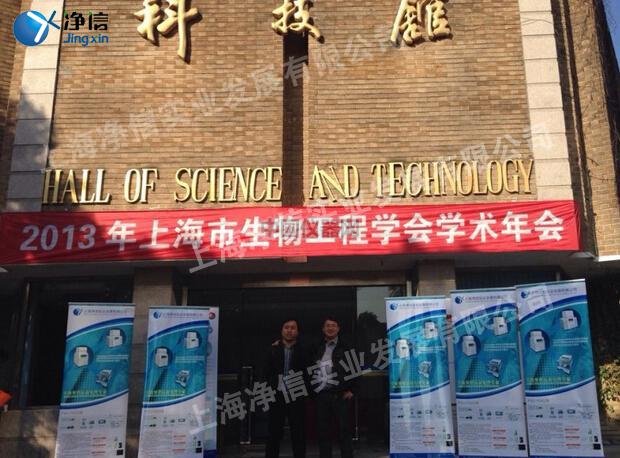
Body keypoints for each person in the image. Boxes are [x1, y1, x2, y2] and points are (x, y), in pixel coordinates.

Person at [263, 319, 308, 458]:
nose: (289, 330)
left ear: (297, 331)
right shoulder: (272, 349)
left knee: (298, 433)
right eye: (286, 327)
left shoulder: (304, 350)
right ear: (282, 330)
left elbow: (308, 373)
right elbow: (265, 373)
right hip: (277, 396)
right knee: (273, 433)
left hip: (296, 396)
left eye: (293, 328)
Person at [311, 317, 356, 458]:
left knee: (344, 431)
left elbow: (355, 370)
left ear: (338, 329)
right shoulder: (317, 346)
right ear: (323, 329)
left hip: (340, 395)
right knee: (323, 432)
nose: (330, 328)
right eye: (327, 325)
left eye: (333, 325)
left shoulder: (346, 346)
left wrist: (352, 390)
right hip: (322, 394)